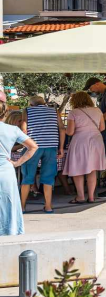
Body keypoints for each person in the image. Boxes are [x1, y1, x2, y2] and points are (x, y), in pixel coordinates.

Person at [0, 100, 38, 235]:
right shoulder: (12, 130)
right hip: (6, 171)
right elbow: (33, 147)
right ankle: (10, 232)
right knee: (8, 205)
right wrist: (17, 163)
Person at [20, 96, 63, 214]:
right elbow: (62, 129)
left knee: (28, 177)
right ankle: (48, 207)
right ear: (44, 103)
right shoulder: (55, 111)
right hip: (51, 146)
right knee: (48, 178)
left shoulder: (27, 110)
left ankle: (22, 207)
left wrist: (24, 145)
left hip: (33, 147)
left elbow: (24, 130)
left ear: (31, 104)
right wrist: (61, 148)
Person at [65, 90, 106, 204]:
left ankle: (80, 196)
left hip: (80, 141)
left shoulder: (73, 112)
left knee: (77, 169)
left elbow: (69, 132)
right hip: (96, 141)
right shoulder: (97, 110)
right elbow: (102, 127)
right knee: (92, 169)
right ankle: (91, 197)